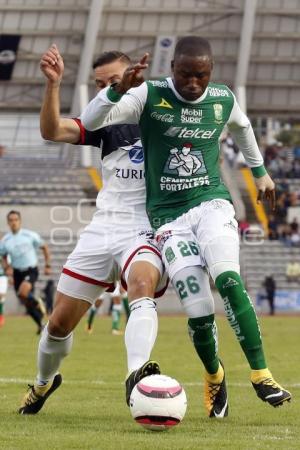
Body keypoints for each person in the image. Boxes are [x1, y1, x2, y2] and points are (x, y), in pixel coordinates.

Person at [81, 35, 292, 409]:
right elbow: (92, 120)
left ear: (210, 71)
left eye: (201, 76)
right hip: (168, 219)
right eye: (186, 76)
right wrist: (116, 92)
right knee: (197, 307)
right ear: (172, 69)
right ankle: (214, 375)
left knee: (227, 278)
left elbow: (242, 127)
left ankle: (262, 374)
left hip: (212, 204)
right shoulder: (148, 95)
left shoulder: (222, 98)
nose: (194, 84)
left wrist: (260, 173)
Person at [18, 46, 173, 416]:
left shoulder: (167, 113)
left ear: (135, 75)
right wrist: (53, 85)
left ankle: (136, 375)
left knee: (141, 285)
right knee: (58, 324)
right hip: (103, 229)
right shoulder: (105, 119)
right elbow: (53, 129)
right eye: (99, 84)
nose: (106, 90)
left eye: (113, 82)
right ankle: (43, 383)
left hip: (145, 228)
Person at [0, 211, 50, 333]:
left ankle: (38, 301)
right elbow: (2, 256)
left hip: (31, 270)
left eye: (16, 220)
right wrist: (7, 268)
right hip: (17, 273)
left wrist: (47, 265)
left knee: (23, 292)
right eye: (11, 220)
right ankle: (40, 324)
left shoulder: (29, 235)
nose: (13, 222)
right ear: (8, 222)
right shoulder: (6, 240)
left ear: (20, 221)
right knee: (25, 303)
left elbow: (44, 247)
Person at [0, 254, 8, 327]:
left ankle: (1, 317)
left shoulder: (4, 249)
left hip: (2, 276)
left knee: (1, 297)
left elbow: (7, 266)